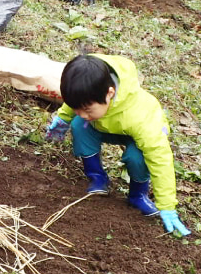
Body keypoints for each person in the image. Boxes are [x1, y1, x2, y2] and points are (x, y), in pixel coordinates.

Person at [45, 54, 191, 235]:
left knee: (137, 158)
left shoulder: (141, 117)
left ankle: (138, 195)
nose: (82, 113)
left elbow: (160, 159)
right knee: (79, 125)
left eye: (87, 109)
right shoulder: (90, 84)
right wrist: (64, 118)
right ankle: (98, 178)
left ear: (110, 94)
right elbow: (78, 100)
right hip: (103, 124)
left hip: (132, 133)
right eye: (77, 108)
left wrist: (167, 205)